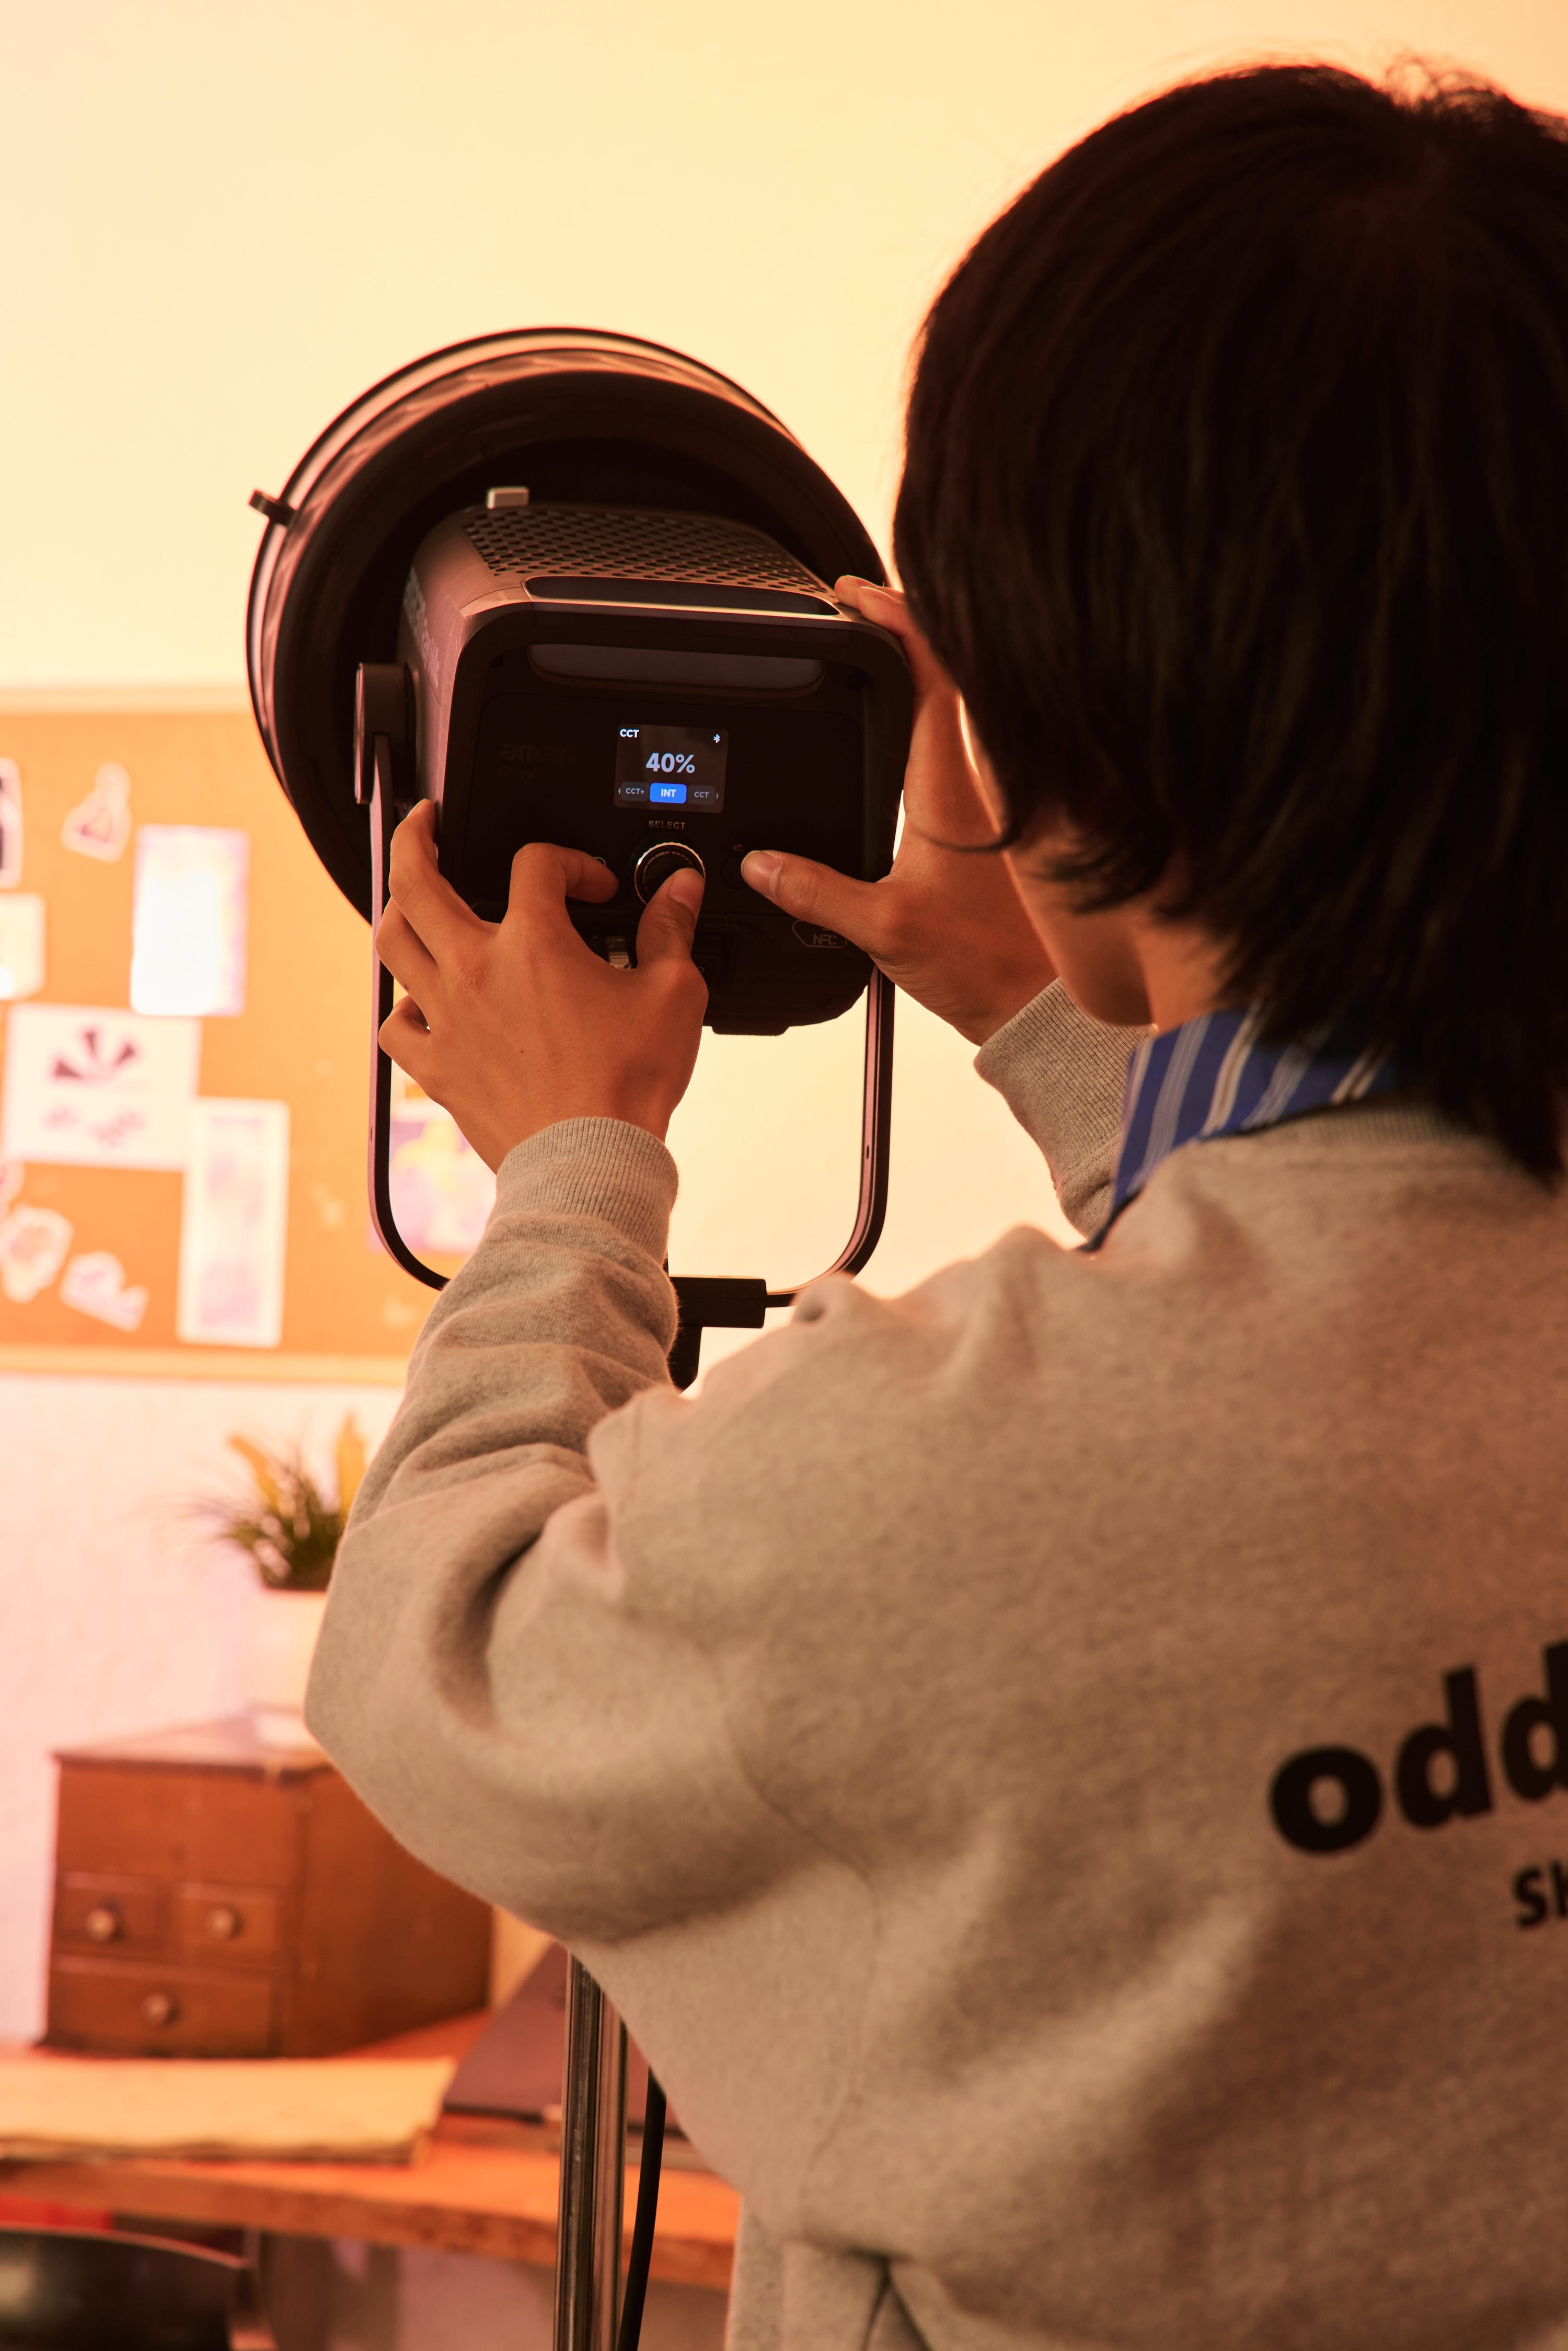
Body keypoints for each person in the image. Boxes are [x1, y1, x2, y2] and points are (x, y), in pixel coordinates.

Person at [307, 62, 1568, 2351]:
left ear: (1053, 726)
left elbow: (437, 1664)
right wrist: (1067, 998)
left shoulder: (912, 1489)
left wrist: (572, 1170)